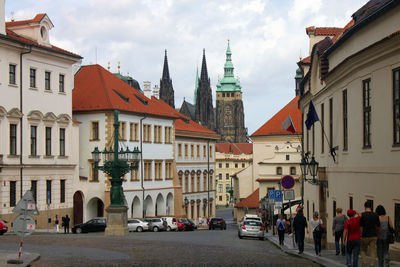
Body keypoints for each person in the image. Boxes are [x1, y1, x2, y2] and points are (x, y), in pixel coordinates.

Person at [360, 201, 380, 267]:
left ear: (364, 206)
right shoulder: (376, 215)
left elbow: (361, 226)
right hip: (373, 235)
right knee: (373, 251)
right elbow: (378, 226)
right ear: (371, 207)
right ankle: (372, 265)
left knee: (363, 251)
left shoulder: (362, 215)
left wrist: (360, 235)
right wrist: (377, 234)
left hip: (364, 235)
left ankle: (364, 264)